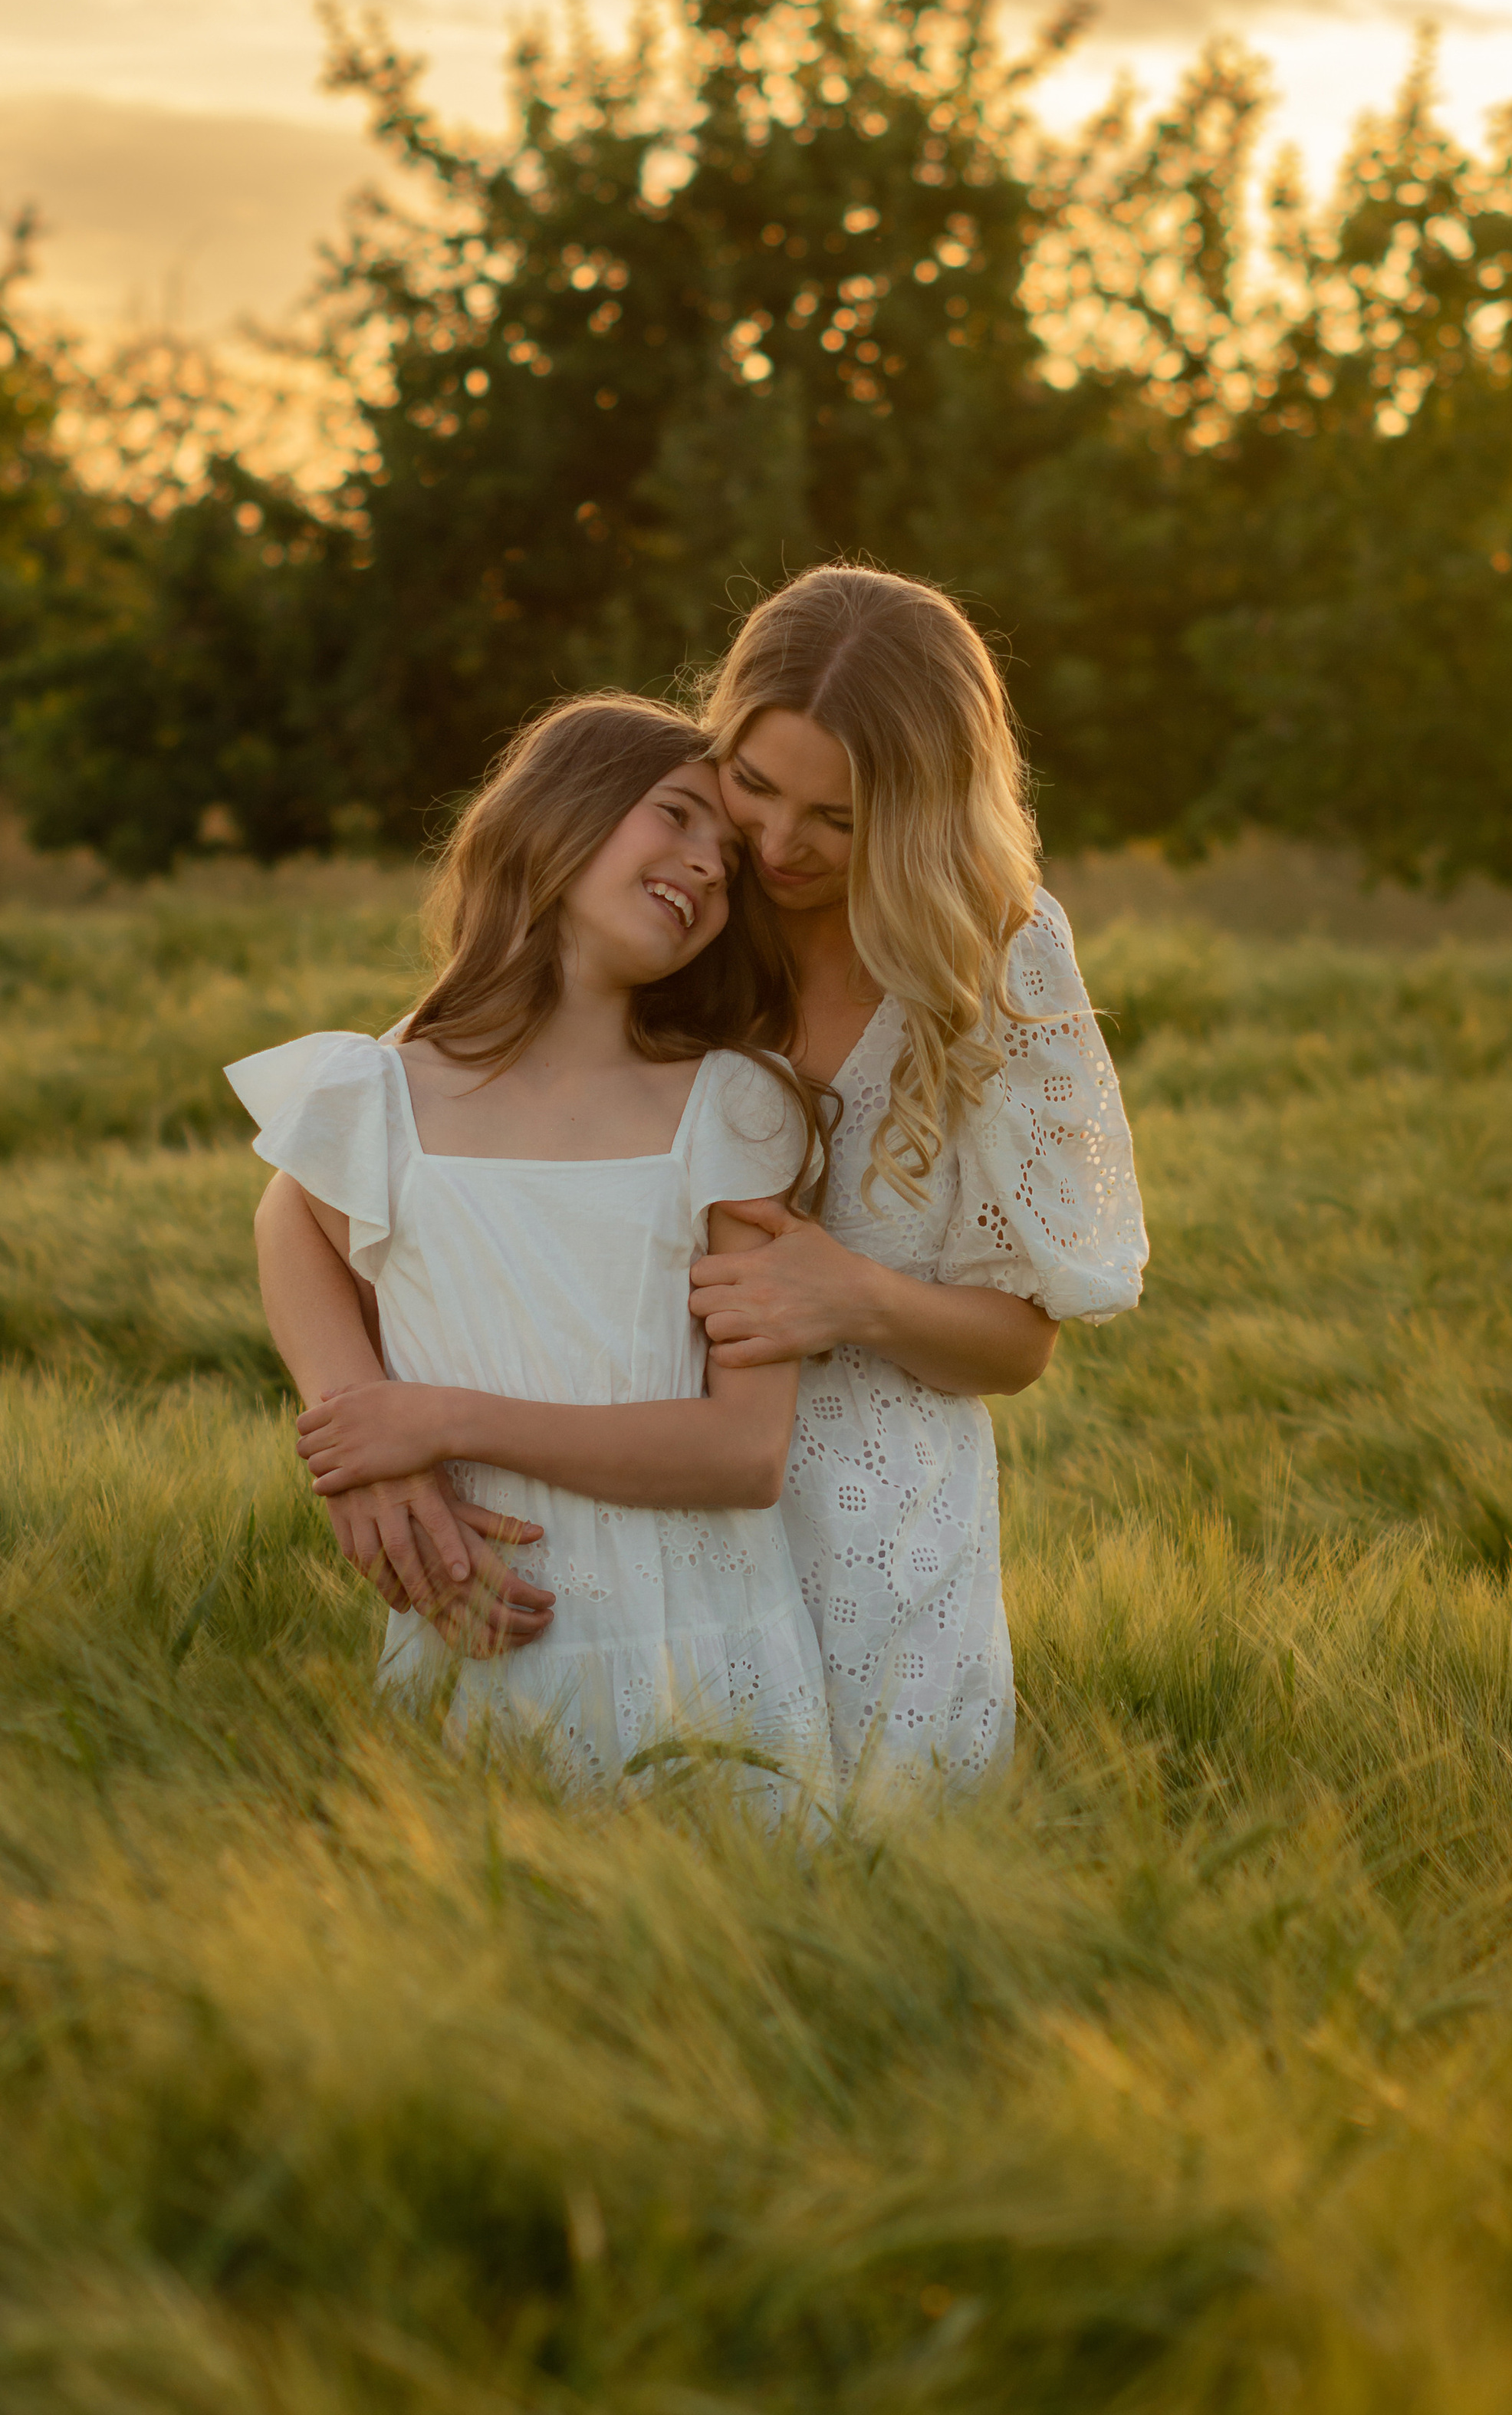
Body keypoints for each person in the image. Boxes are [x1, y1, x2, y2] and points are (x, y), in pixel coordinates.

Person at [269, 564, 1149, 1792]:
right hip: (620, 1531)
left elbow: (1021, 1344)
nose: (778, 846)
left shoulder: (991, 953)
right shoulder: (669, 900)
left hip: (879, 1545)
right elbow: (328, 1170)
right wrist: (368, 1437)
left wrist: (859, 1300)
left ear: (923, 809)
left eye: (840, 819)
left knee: (869, 1873)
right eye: (757, 786)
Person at [232, 694, 834, 1815]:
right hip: (470, 1633)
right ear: (559, 813)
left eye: (730, 862)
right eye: (677, 815)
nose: (711, 865)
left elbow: (746, 1451)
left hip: (697, 1651)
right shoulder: (378, 1093)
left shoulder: (731, 1106)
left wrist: (442, 1422)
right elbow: (289, 1216)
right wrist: (364, 1443)